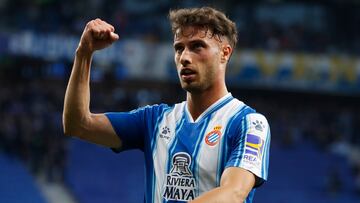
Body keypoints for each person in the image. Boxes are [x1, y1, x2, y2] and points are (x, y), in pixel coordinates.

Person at [63, 6, 270, 203]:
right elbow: (77, 125)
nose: (185, 58)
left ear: (225, 53)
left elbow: (233, 193)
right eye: (179, 48)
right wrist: (84, 53)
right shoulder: (154, 120)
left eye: (197, 46)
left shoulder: (249, 123)